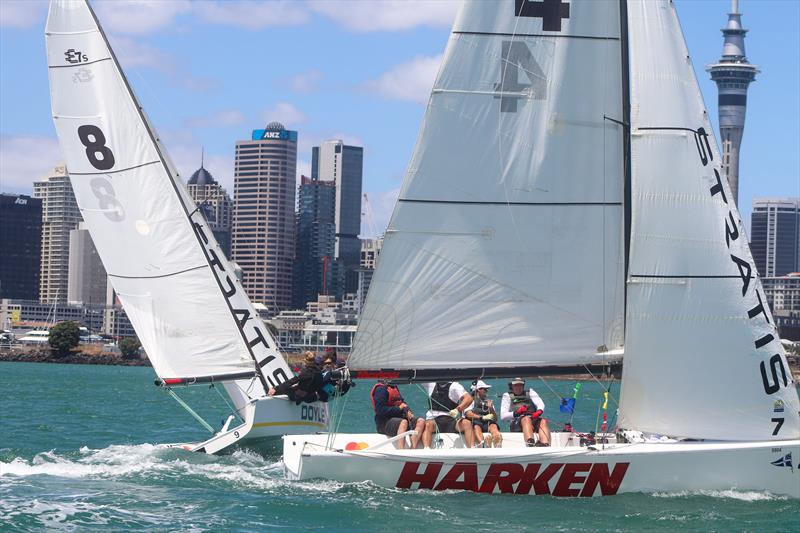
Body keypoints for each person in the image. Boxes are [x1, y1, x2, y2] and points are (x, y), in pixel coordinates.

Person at [370, 380, 426, 449]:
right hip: (385, 423)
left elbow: (401, 402)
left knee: (421, 421)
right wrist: (399, 409)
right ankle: (401, 450)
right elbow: (380, 410)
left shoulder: (393, 386)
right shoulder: (380, 390)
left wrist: (408, 410)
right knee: (403, 422)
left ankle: (412, 449)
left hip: (399, 419)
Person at [500, 377, 551, 447]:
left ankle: (545, 444)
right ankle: (530, 443)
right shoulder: (507, 396)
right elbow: (503, 416)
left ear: (523, 386)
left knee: (543, 421)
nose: (518, 387)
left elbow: (540, 403)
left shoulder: (531, 392)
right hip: (517, 422)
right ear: (512, 386)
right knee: (526, 419)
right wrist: (517, 412)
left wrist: (539, 411)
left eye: (520, 385)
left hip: (532, 418)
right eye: (516, 385)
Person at [423, 381, 475, 448]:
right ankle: (426, 448)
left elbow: (469, 398)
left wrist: (457, 409)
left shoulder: (455, 386)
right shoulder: (430, 384)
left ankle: (472, 448)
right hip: (435, 421)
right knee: (428, 425)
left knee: (467, 423)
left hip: (451, 420)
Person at [465, 380, 503, 448]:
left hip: (487, 423)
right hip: (476, 422)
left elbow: (495, 419)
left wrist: (491, 408)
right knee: (476, 426)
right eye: (485, 389)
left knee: (493, 425)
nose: (486, 391)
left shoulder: (488, 402)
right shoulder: (470, 401)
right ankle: (482, 443)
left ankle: (497, 439)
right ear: (478, 390)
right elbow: (468, 414)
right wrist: (481, 417)